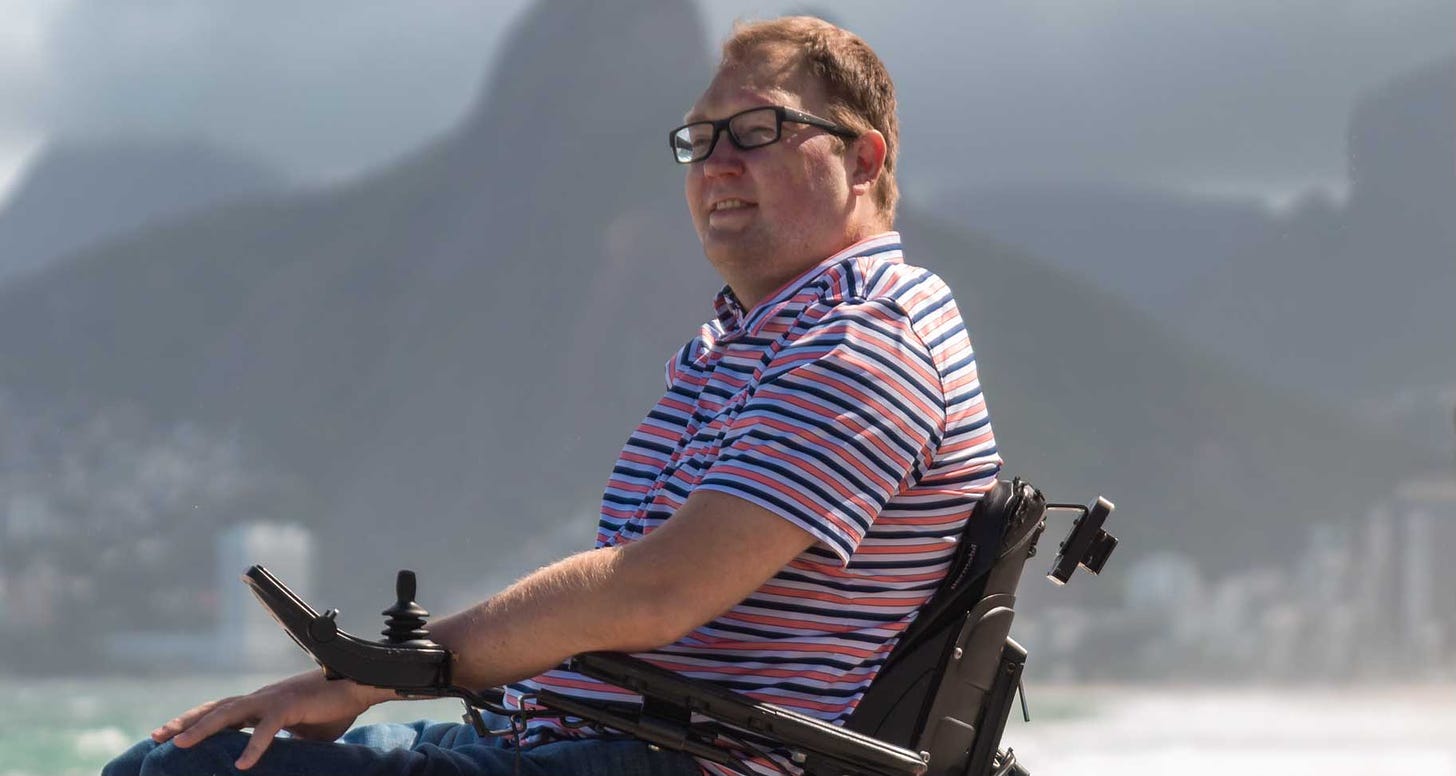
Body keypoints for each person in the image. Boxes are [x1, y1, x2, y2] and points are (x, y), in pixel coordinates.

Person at [104, 16, 1000, 776]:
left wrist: (366, 678)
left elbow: (656, 593)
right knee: (172, 754)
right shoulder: (747, 341)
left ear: (863, 156)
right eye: (699, 139)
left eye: (756, 130)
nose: (715, 164)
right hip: (580, 736)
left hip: (674, 758)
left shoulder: (866, 340)